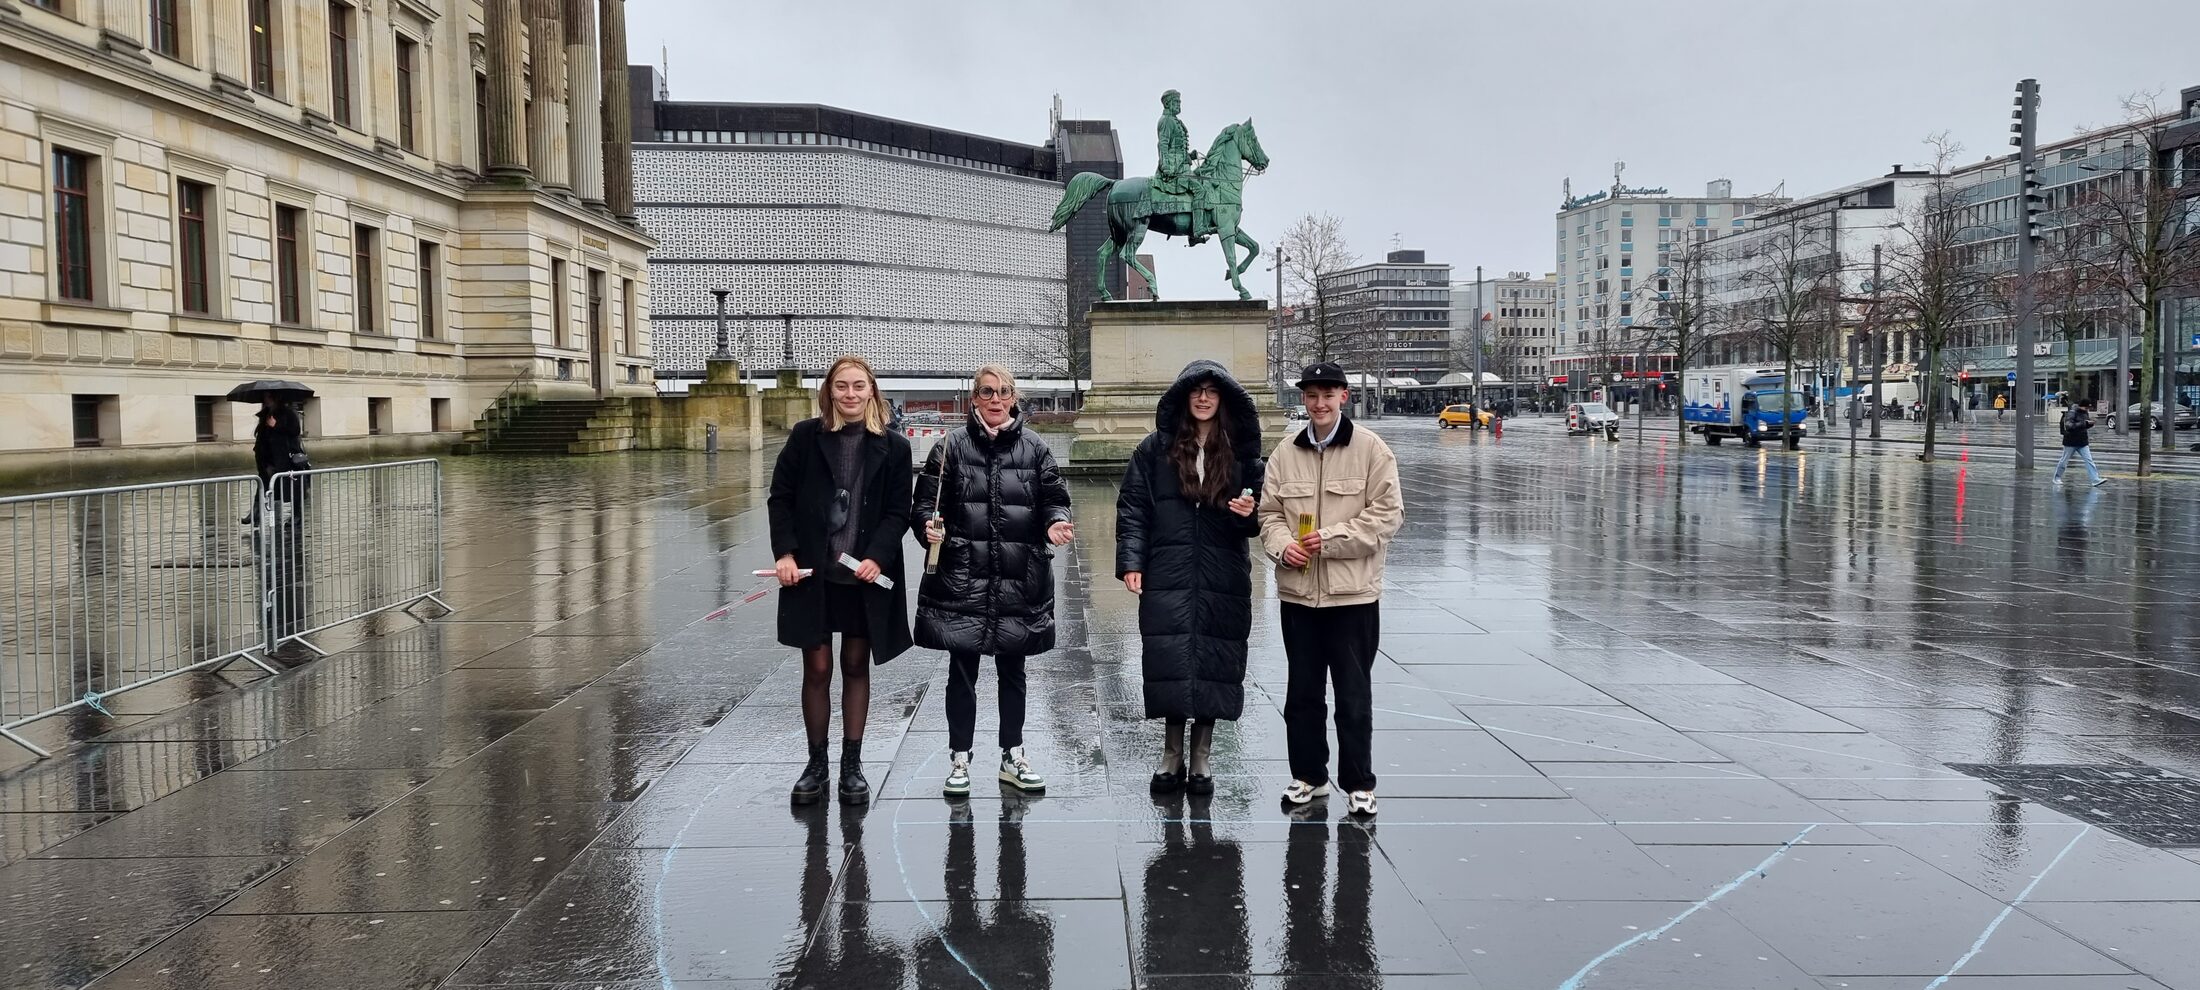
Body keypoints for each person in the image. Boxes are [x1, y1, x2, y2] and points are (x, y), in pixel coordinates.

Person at [914, 365, 1074, 798]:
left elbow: (1055, 499)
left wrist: (1056, 523)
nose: (996, 399)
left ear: (1014, 398)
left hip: (1016, 574)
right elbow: (926, 503)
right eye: (987, 391)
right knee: (961, 671)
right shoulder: (949, 448)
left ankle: (1013, 755)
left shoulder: (1035, 448)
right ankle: (960, 758)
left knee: (1013, 670)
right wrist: (927, 526)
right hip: (963, 574)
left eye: (1004, 391)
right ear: (974, 399)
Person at [1258, 362, 1403, 818]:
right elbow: (1269, 515)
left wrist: (1333, 539)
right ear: (1303, 399)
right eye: (1311, 396)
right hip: (1299, 596)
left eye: (1328, 394)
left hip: (1352, 598)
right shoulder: (1285, 452)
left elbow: (1387, 516)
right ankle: (1308, 776)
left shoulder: (1372, 450)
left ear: (1343, 396)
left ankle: (1359, 782)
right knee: (1302, 693)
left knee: (1353, 695)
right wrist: (1283, 549)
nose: (1319, 404)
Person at [768, 355, 915, 805]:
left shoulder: (893, 446)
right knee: (816, 666)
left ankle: (852, 766)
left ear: (872, 391)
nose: (850, 394)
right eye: (841, 387)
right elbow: (781, 498)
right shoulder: (805, 437)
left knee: (855, 663)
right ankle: (816, 764)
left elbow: (897, 512)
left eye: (858, 386)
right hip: (814, 572)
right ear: (828, 392)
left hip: (863, 575)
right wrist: (786, 554)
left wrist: (877, 557)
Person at [1115, 361, 1264, 796]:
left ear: (1223, 399)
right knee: (1171, 657)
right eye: (1195, 391)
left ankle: (1201, 755)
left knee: (1215, 659)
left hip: (1223, 571)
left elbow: (1262, 514)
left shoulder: (1241, 452)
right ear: (1183, 397)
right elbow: (1133, 507)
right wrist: (1131, 561)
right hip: (1169, 570)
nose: (1203, 398)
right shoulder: (1153, 450)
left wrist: (1248, 516)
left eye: (1211, 392)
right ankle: (1172, 752)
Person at [245, 396, 309, 525]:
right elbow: (262, 436)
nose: (267, 400)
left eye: (270, 397)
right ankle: (255, 513)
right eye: (265, 397)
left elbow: (295, 431)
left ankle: (297, 515)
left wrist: (276, 425)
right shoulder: (265, 414)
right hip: (268, 459)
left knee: (293, 487)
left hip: (286, 458)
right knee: (262, 484)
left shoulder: (288, 413)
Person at [2053, 398, 2108, 488]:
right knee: (2064, 461)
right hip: (2071, 441)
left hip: (2082, 441)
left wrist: (2090, 424)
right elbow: (2069, 426)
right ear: (2081, 406)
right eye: (2086, 408)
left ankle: (2095, 479)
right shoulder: (2072, 412)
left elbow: (2084, 425)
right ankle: (2057, 477)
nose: (2087, 410)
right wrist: (2084, 423)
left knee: (2089, 461)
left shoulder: (2085, 412)